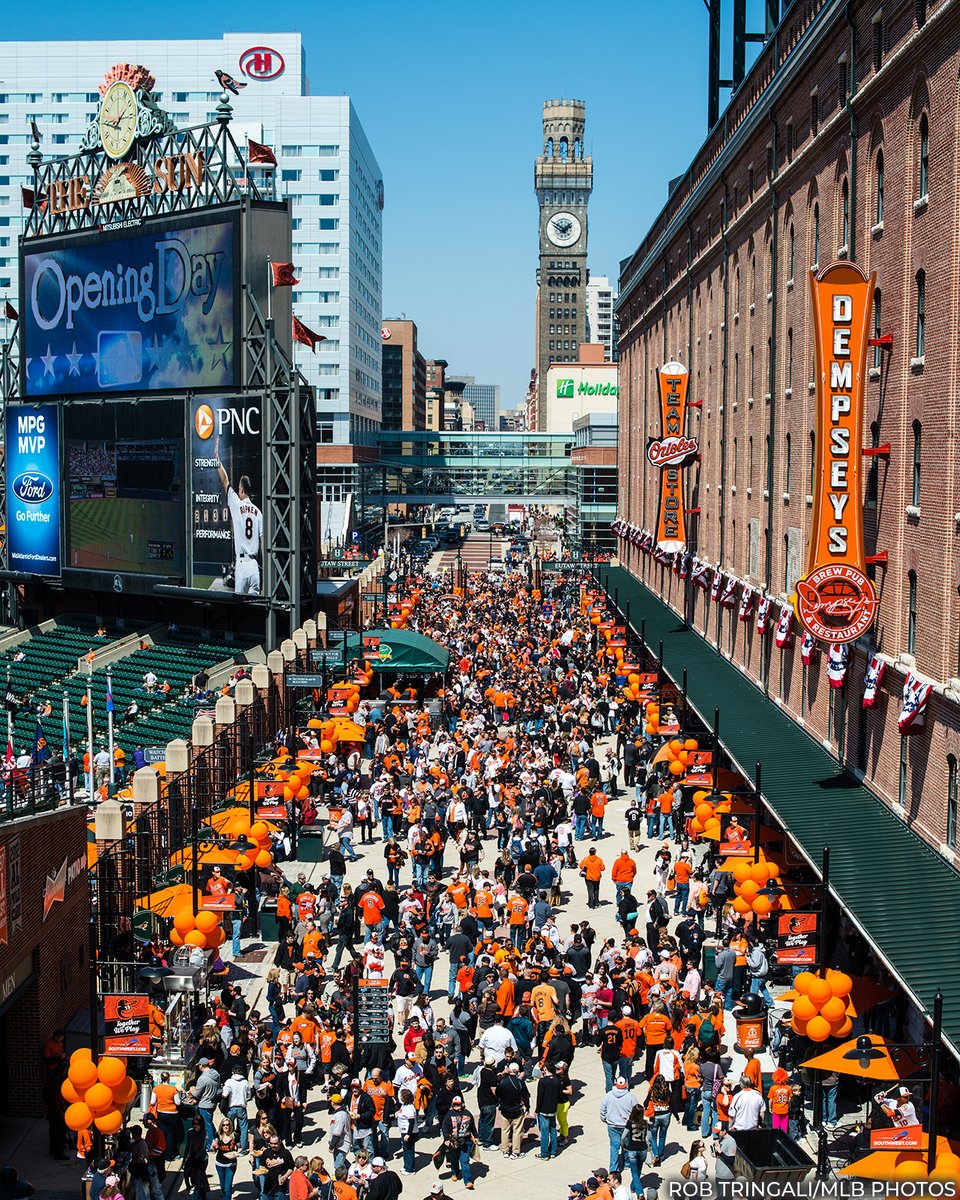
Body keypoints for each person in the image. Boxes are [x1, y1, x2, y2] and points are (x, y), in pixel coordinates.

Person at [215, 436, 263, 595]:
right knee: (255, 608)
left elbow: (224, 481)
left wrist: (217, 459)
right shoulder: (258, 512)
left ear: (241, 490)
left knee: (240, 608)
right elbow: (262, 543)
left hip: (242, 565)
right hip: (255, 566)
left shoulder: (236, 503)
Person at [599, 1076, 637, 1173]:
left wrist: (604, 1119)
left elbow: (602, 1109)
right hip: (626, 1126)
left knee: (614, 1147)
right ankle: (627, 1164)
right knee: (627, 1146)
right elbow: (636, 1111)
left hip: (612, 1126)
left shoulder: (608, 1095)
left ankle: (613, 1169)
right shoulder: (630, 1097)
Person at [440, 1094, 479, 1188]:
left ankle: (468, 1181)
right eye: (454, 1104)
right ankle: (454, 1172)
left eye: (458, 1104)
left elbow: (472, 1126)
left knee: (464, 1161)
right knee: (454, 1159)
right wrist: (446, 1139)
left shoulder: (468, 1114)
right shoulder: (449, 1114)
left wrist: (476, 1137)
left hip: (466, 1141)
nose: (456, 1106)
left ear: (462, 1104)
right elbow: (444, 1127)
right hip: (453, 1141)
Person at [495, 1061, 530, 1159]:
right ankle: (515, 1152)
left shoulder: (503, 1081)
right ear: (518, 1071)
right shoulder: (520, 1083)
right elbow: (526, 1096)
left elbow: (498, 1094)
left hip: (505, 1110)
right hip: (517, 1110)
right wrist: (528, 1106)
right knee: (517, 1131)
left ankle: (505, 1150)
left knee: (505, 1131)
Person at [211, 1119, 240, 1200]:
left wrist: (236, 1153)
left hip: (231, 1164)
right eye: (224, 1125)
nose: (225, 1127)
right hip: (220, 1163)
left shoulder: (235, 1135)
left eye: (227, 1125)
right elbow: (213, 1148)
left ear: (230, 1126)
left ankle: (227, 1197)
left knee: (227, 1187)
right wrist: (214, 1147)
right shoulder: (218, 1135)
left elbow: (240, 1148)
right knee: (223, 1186)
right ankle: (227, 1197)